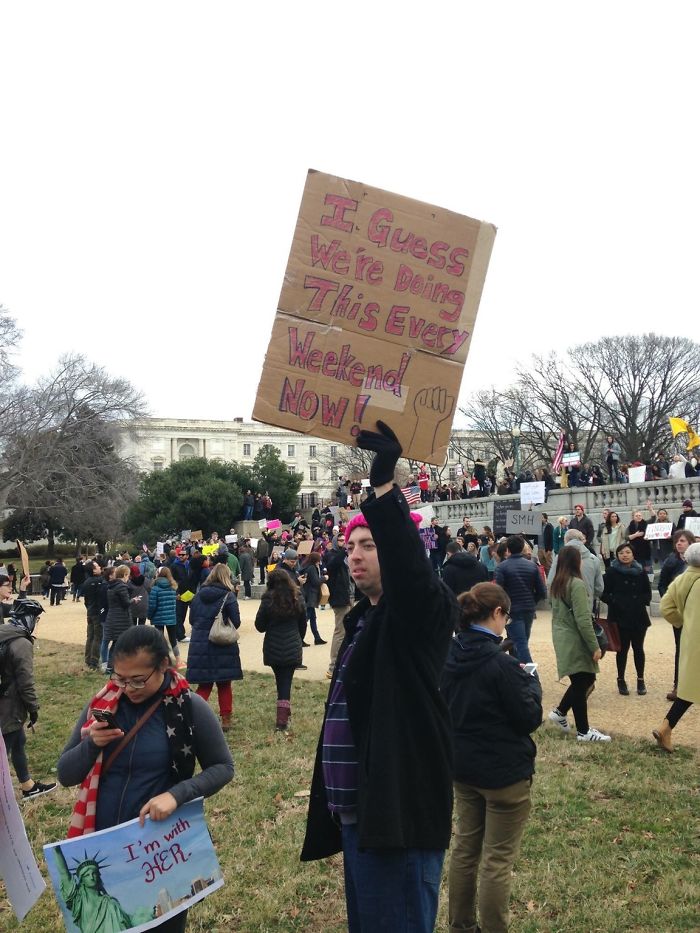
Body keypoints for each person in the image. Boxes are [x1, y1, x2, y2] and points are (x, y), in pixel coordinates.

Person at [300, 421, 458, 931]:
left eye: (369, 544)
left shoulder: (421, 614)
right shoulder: (363, 619)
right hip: (362, 818)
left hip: (401, 817)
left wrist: (384, 483)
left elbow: (412, 572)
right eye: (351, 547)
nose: (356, 554)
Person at [57, 625, 234, 932]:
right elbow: (66, 774)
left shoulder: (189, 707)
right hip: (106, 849)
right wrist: (91, 744)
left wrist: (177, 794)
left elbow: (222, 767)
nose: (127, 688)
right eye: (119, 677)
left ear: (164, 665)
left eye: (138, 680)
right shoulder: (101, 706)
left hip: (158, 848)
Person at [440, 583, 542, 933]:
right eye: (506, 616)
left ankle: (461, 925)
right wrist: (531, 684)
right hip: (504, 775)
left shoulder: (448, 654)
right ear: (497, 613)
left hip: (463, 766)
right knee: (496, 860)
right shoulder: (501, 664)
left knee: (466, 848)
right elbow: (529, 717)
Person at [548, 546, 611, 742]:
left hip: (562, 635)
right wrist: (594, 646)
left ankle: (560, 712)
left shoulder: (557, 583)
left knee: (583, 679)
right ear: (576, 562)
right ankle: (583, 731)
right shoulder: (576, 584)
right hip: (574, 637)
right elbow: (583, 619)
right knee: (582, 681)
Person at [0, 595, 58, 799]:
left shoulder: (4, 632)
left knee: (18, 740)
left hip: (4, 700)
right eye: (37, 619)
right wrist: (33, 708)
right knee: (4, 749)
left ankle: (28, 786)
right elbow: (26, 681)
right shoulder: (21, 643)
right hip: (9, 705)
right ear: (30, 618)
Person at [653, 542, 700, 753]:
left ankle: (666, 726)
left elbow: (665, 607)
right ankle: (665, 727)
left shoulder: (680, 580)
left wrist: (682, 622)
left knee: (689, 690)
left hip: (691, 641)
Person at [186, 562, 242, 732]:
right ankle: (226, 719)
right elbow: (236, 622)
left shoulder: (198, 596)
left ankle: (192, 717)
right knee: (224, 684)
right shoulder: (229, 596)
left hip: (201, 644)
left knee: (204, 685)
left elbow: (192, 620)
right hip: (222, 644)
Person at [254, 568, 306, 730]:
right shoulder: (297, 598)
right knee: (285, 681)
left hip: (273, 644)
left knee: (281, 681)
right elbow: (303, 623)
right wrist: (298, 638)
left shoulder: (268, 600)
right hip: (292, 643)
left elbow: (259, 626)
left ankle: (282, 718)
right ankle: (283, 715)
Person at [602, 543, 652, 696]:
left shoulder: (641, 572)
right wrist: (615, 601)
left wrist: (639, 601)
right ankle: (621, 679)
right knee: (622, 650)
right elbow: (603, 593)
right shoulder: (611, 572)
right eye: (621, 552)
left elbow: (647, 593)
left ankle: (640, 679)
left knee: (638, 649)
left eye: (628, 552)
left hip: (638, 616)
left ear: (633, 554)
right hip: (619, 616)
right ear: (617, 555)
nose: (624, 555)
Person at [494, 536, 547, 664]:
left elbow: (498, 592)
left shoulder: (502, 567)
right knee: (522, 642)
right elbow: (542, 592)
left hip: (511, 610)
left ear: (508, 549)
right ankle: (518, 671)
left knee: (520, 644)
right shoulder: (532, 566)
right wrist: (532, 601)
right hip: (528, 608)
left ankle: (531, 676)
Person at [658, 530, 695, 700]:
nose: (679, 544)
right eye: (677, 541)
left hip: (696, 612)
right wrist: (672, 602)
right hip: (681, 614)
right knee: (681, 650)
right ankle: (678, 685)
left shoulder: (696, 562)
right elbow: (662, 585)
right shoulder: (670, 561)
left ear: (690, 543)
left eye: (682, 541)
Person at [324, 531, 353, 679]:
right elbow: (332, 565)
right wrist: (344, 551)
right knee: (340, 632)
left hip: (349, 596)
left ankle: (347, 661)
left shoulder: (346, 556)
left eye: (345, 540)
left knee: (351, 630)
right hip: (339, 598)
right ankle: (333, 666)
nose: (344, 542)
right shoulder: (331, 554)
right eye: (341, 540)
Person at [148, 567, 184, 669]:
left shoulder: (155, 588)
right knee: (173, 639)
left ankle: (161, 660)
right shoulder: (173, 587)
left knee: (159, 639)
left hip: (158, 616)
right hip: (171, 616)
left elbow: (152, 605)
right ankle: (178, 661)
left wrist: (150, 615)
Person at [101, 565, 133, 673]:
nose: (128, 578)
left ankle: (110, 666)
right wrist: (133, 600)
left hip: (113, 616)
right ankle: (116, 666)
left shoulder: (111, 586)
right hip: (121, 618)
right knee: (120, 644)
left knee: (115, 644)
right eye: (128, 575)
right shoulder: (122, 587)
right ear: (124, 575)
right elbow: (126, 603)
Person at [80, 561, 106, 671]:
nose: (100, 567)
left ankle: (88, 659)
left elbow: (86, 600)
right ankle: (94, 661)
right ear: (94, 570)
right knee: (98, 637)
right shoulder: (99, 581)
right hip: (97, 612)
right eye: (97, 566)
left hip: (90, 611)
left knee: (90, 636)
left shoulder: (86, 582)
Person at [301, 551, 328, 645]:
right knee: (307, 618)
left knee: (312, 618)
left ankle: (317, 638)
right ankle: (300, 638)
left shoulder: (308, 566)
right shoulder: (312, 568)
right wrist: (324, 578)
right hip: (311, 594)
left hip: (309, 594)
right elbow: (316, 582)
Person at [626, 509, 652, 574]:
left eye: (640, 515)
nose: (638, 517)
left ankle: (649, 581)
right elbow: (626, 537)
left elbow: (653, 517)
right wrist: (636, 535)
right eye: (636, 515)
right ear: (633, 517)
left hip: (646, 551)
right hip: (636, 551)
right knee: (639, 568)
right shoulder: (630, 526)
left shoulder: (646, 523)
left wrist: (650, 508)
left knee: (648, 569)